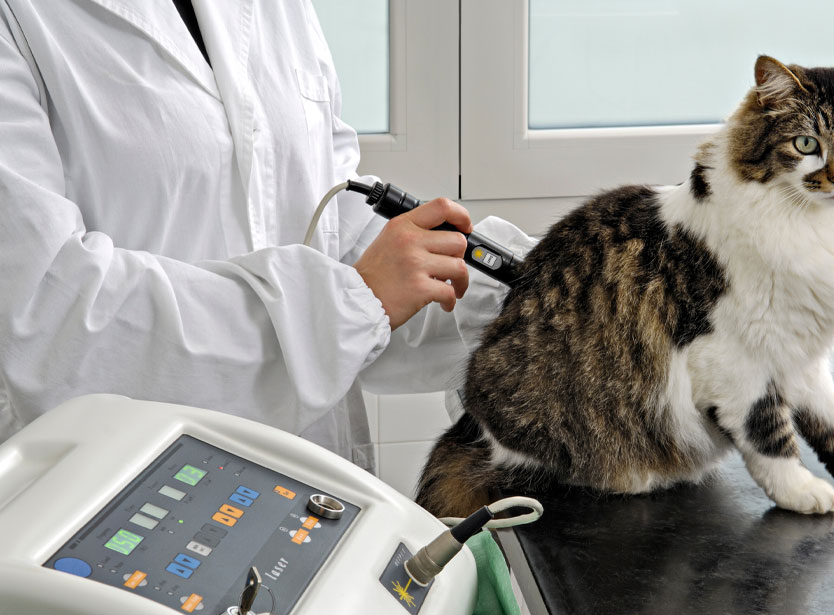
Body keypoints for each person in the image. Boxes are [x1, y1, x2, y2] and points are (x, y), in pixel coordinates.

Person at [0, 1, 532, 471]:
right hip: (115, 489)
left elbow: (322, 224)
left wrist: (525, 288)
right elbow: (46, 314)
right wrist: (351, 304)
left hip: (315, 477)